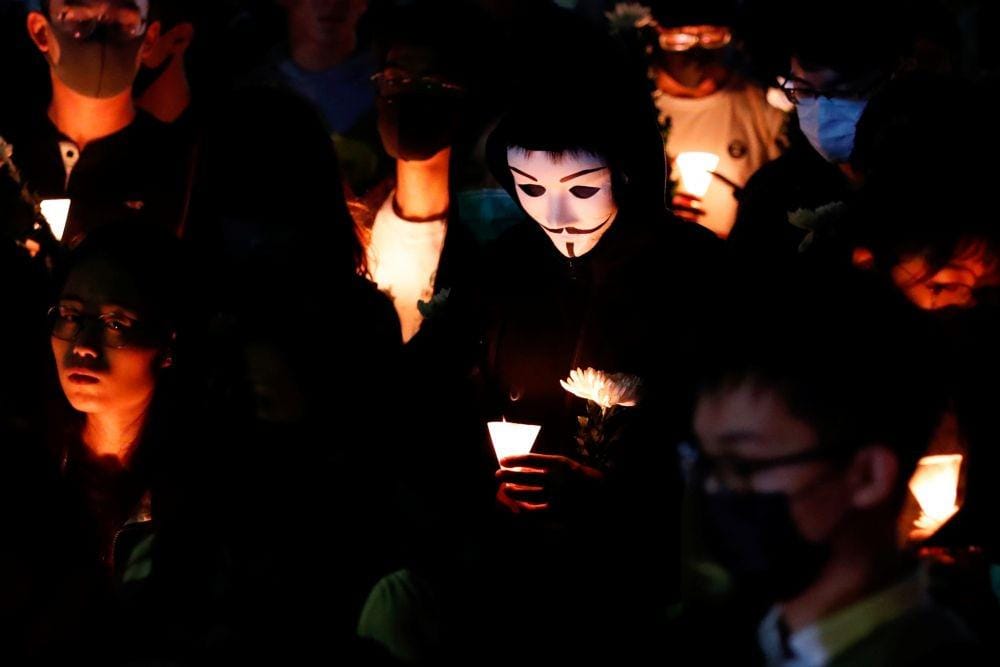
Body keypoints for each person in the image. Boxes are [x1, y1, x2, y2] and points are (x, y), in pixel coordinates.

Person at [686, 271, 984, 665]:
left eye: (742, 465)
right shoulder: (741, 634)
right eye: (703, 461)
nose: (712, 489)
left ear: (867, 475)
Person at [727, 0, 912, 260]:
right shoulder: (774, 191)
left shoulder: (924, 186)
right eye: (803, 90)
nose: (823, 111)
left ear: (890, 79)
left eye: (843, 91)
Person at [1, 0, 189, 246]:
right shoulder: (8, 153)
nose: (101, 37)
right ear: (41, 30)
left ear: (149, 39)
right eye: (79, 17)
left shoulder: (178, 170)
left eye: (123, 21)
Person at [643, 0, 787, 238]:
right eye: (681, 38)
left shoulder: (762, 104)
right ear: (657, 35)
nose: (696, 50)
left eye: (711, 35)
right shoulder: (638, 107)